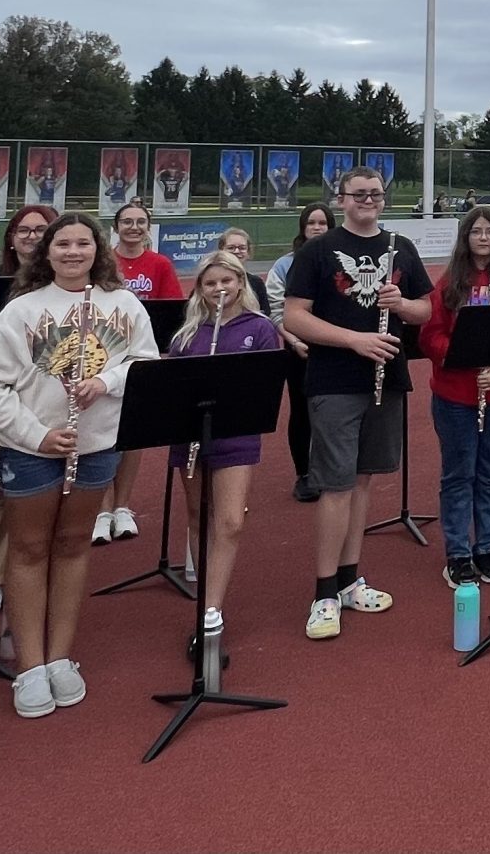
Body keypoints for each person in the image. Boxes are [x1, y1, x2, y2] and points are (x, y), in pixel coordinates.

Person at [0, 213, 159, 718]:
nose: (73, 252)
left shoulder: (124, 304)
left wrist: (107, 382)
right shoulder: (21, 310)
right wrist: (38, 435)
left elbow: (145, 361)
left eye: (83, 243)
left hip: (97, 445)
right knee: (29, 548)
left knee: (74, 545)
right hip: (32, 451)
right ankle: (29, 665)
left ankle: (60, 657)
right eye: (63, 244)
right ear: (46, 253)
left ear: (98, 250)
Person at [282, 167, 433, 641]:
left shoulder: (400, 247)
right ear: (341, 199)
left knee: (364, 479)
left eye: (375, 194)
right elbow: (295, 318)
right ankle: (324, 590)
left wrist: (403, 306)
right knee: (336, 484)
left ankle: (350, 579)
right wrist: (356, 341)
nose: (368, 200)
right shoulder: (318, 251)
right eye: (358, 194)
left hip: (387, 379)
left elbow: (427, 309)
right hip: (335, 380)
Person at [163, 251, 281, 671]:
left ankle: (211, 611)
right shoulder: (187, 334)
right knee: (198, 513)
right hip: (191, 435)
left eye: (226, 281)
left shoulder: (261, 328)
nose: (219, 289)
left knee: (230, 520)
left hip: (236, 434)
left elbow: (266, 386)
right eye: (210, 283)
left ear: (240, 284)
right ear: (200, 288)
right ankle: (204, 600)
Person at [418, 206, 490, 588]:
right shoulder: (450, 282)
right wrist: (461, 354)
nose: (483, 238)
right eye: (475, 232)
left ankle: (486, 546)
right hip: (455, 395)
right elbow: (429, 335)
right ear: (465, 237)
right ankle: (458, 553)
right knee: (458, 474)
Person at [0, 203, 54, 621]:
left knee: (49, 491)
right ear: (10, 235)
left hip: (46, 399)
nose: (31, 236)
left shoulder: (62, 287)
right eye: (23, 229)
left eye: (41, 229)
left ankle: (42, 566)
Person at [101, 202, 185, 545]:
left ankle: (122, 506)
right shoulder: (104, 261)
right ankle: (102, 509)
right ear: (116, 226)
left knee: (132, 434)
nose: (133, 227)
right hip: (105, 355)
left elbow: (172, 311)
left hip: (141, 355)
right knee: (102, 431)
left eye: (140, 222)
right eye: (127, 222)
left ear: (148, 228)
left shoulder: (160, 263)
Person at [269, 203, 335, 502]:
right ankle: (304, 473)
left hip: (335, 349)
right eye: (312, 223)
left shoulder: (342, 262)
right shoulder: (285, 265)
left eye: (323, 223)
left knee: (333, 412)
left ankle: (330, 470)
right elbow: (276, 311)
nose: (318, 228)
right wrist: (295, 341)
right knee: (302, 412)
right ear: (303, 227)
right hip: (299, 349)